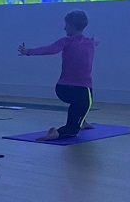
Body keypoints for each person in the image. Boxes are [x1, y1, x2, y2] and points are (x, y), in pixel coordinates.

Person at [18, 9, 97, 141]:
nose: (64, 28)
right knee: (85, 104)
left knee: (79, 104)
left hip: (62, 89)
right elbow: (89, 43)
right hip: (81, 89)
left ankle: (82, 121)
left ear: (72, 26)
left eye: (66, 25)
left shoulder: (67, 41)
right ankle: (58, 133)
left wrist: (28, 52)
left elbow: (50, 49)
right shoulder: (91, 43)